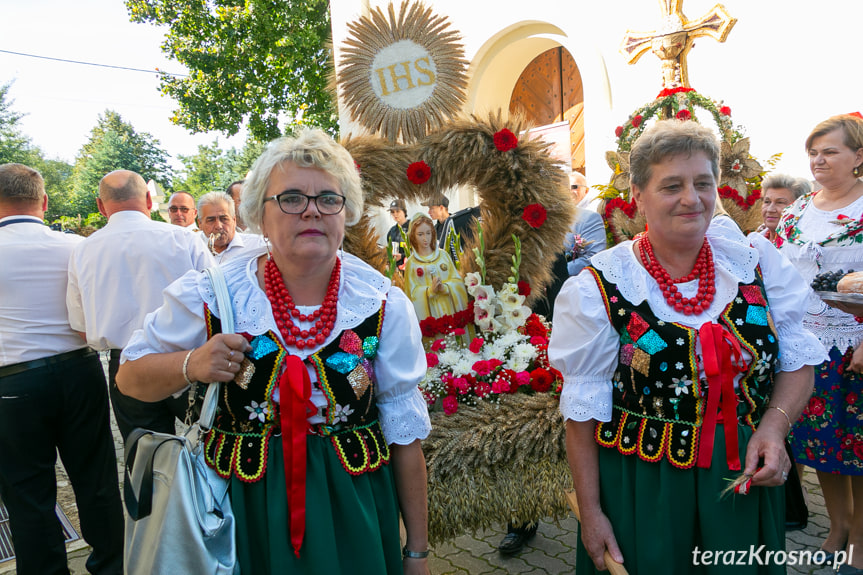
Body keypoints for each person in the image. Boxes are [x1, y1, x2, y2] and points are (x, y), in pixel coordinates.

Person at [116, 129, 432, 574]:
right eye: (291, 198)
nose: (311, 211)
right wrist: (192, 363)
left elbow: (405, 438)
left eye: (328, 198)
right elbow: (129, 377)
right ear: (258, 216)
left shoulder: (381, 302)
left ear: (347, 213)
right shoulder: (215, 294)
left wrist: (416, 552)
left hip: (355, 509)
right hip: (241, 511)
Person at [550, 120, 826, 574]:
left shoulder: (754, 262)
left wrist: (773, 429)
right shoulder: (601, 287)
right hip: (647, 482)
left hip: (743, 476)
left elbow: (798, 361)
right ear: (638, 195)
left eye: (703, 183)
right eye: (671, 185)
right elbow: (582, 413)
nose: (691, 198)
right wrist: (592, 511)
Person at [0, 163, 124, 574]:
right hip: (78, 369)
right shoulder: (76, 247)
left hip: (11, 382)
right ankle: (111, 563)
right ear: (45, 201)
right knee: (96, 478)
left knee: (27, 494)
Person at [66, 170, 214, 441]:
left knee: (145, 460)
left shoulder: (83, 250)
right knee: (212, 446)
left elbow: (80, 327)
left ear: (100, 206)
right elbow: (217, 300)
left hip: (125, 364)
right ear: (148, 199)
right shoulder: (183, 239)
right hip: (186, 355)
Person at [777, 113, 863, 571]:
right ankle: (838, 527)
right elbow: (780, 274)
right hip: (810, 346)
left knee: (859, 448)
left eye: (830, 151)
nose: (819, 160)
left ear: (858, 157)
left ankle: (861, 542)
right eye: (814, 152)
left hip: (855, 346)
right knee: (823, 448)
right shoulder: (797, 211)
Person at [403, 213, 470, 324]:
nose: (425, 238)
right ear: (413, 236)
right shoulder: (412, 263)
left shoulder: (443, 256)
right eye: (420, 234)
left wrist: (445, 288)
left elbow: (458, 282)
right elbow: (411, 294)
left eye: (428, 233)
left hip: (450, 312)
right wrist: (429, 291)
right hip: (431, 320)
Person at [197, 191, 266, 263]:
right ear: (200, 224)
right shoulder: (193, 248)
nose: (218, 226)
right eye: (211, 220)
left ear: (234, 220)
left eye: (224, 219)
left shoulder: (257, 245)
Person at [756, 174, 810, 247]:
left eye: (780, 202)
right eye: (767, 202)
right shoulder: (753, 240)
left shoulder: (806, 247)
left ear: (800, 207)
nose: (770, 209)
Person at [385, 198, 410, 266]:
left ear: (404, 212)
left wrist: (402, 256)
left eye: (398, 211)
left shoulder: (414, 228)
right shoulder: (391, 231)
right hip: (395, 270)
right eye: (392, 212)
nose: (395, 214)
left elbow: (421, 252)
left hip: (410, 269)